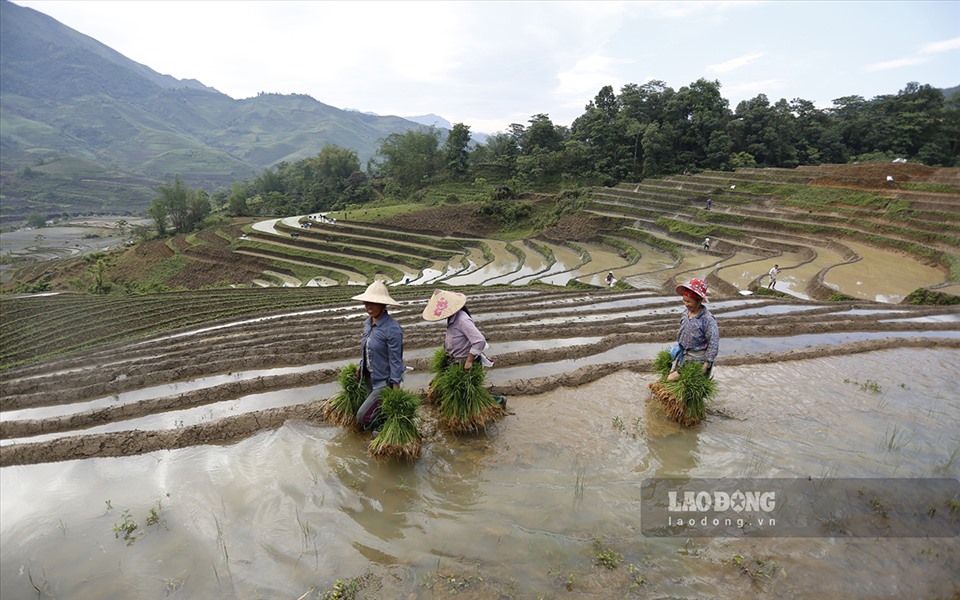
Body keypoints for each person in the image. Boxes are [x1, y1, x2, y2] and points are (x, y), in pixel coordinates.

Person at [351, 280, 406, 431]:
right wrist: (361, 365)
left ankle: (383, 430)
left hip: (384, 382)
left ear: (383, 305)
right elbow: (368, 347)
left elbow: (396, 359)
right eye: (366, 302)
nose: (368, 306)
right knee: (377, 410)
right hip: (370, 376)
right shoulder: (367, 323)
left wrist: (395, 387)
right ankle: (380, 430)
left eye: (373, 303)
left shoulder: (392, 329)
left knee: (362, 416)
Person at [422, 289, 494, 371]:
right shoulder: (452, 319)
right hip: (455, 362)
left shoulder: (462, 320)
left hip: (465, 366)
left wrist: (469, 361)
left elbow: (479, 341)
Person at [667, 278, 719, 381]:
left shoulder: (707, 320)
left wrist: (706, 364)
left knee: (671, 379)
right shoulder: (686, 313)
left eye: (689, 302)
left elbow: (713, 343)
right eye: (684, 300)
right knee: (677, 384)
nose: (686, 304)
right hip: (684, 355)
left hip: (696, 358)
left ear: (699, 300)